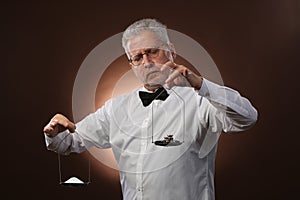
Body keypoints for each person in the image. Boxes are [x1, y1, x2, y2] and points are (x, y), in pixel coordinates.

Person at [43, 18, 258, 200]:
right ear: (131, 65)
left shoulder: (200, 101)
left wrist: (201, 84)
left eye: (152, 52)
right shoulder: (115, 109)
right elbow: (69, 142)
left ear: (171, 51)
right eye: (137, 57)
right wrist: (55, 132)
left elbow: (247, 118)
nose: (146, 62)